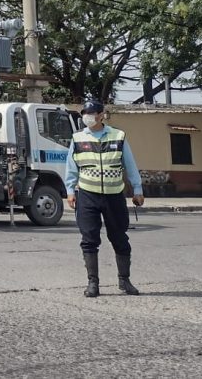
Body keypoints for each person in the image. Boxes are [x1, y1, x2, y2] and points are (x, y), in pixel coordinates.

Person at [64, 99, 145, 297]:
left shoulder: (118, 136)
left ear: (101, 115)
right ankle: (93, 283)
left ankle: (124, 281)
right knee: (89, 239)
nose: (87, 117)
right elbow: (72, 166)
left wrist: (137, 188)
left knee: (119, 237)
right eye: (85, 113)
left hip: (114, 195)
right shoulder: (77, 138)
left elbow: (130, 164)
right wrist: (70, 190)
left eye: (91, 113)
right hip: (87, 195)